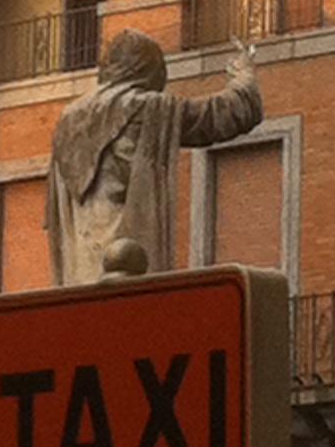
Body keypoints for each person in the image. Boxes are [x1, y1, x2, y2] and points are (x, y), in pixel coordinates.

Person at [46, 28, 263, 286]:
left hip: (78, 275)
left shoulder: (68, 120)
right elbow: (222, 114)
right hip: (132, 273)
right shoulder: (145, 107)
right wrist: (244, 74)